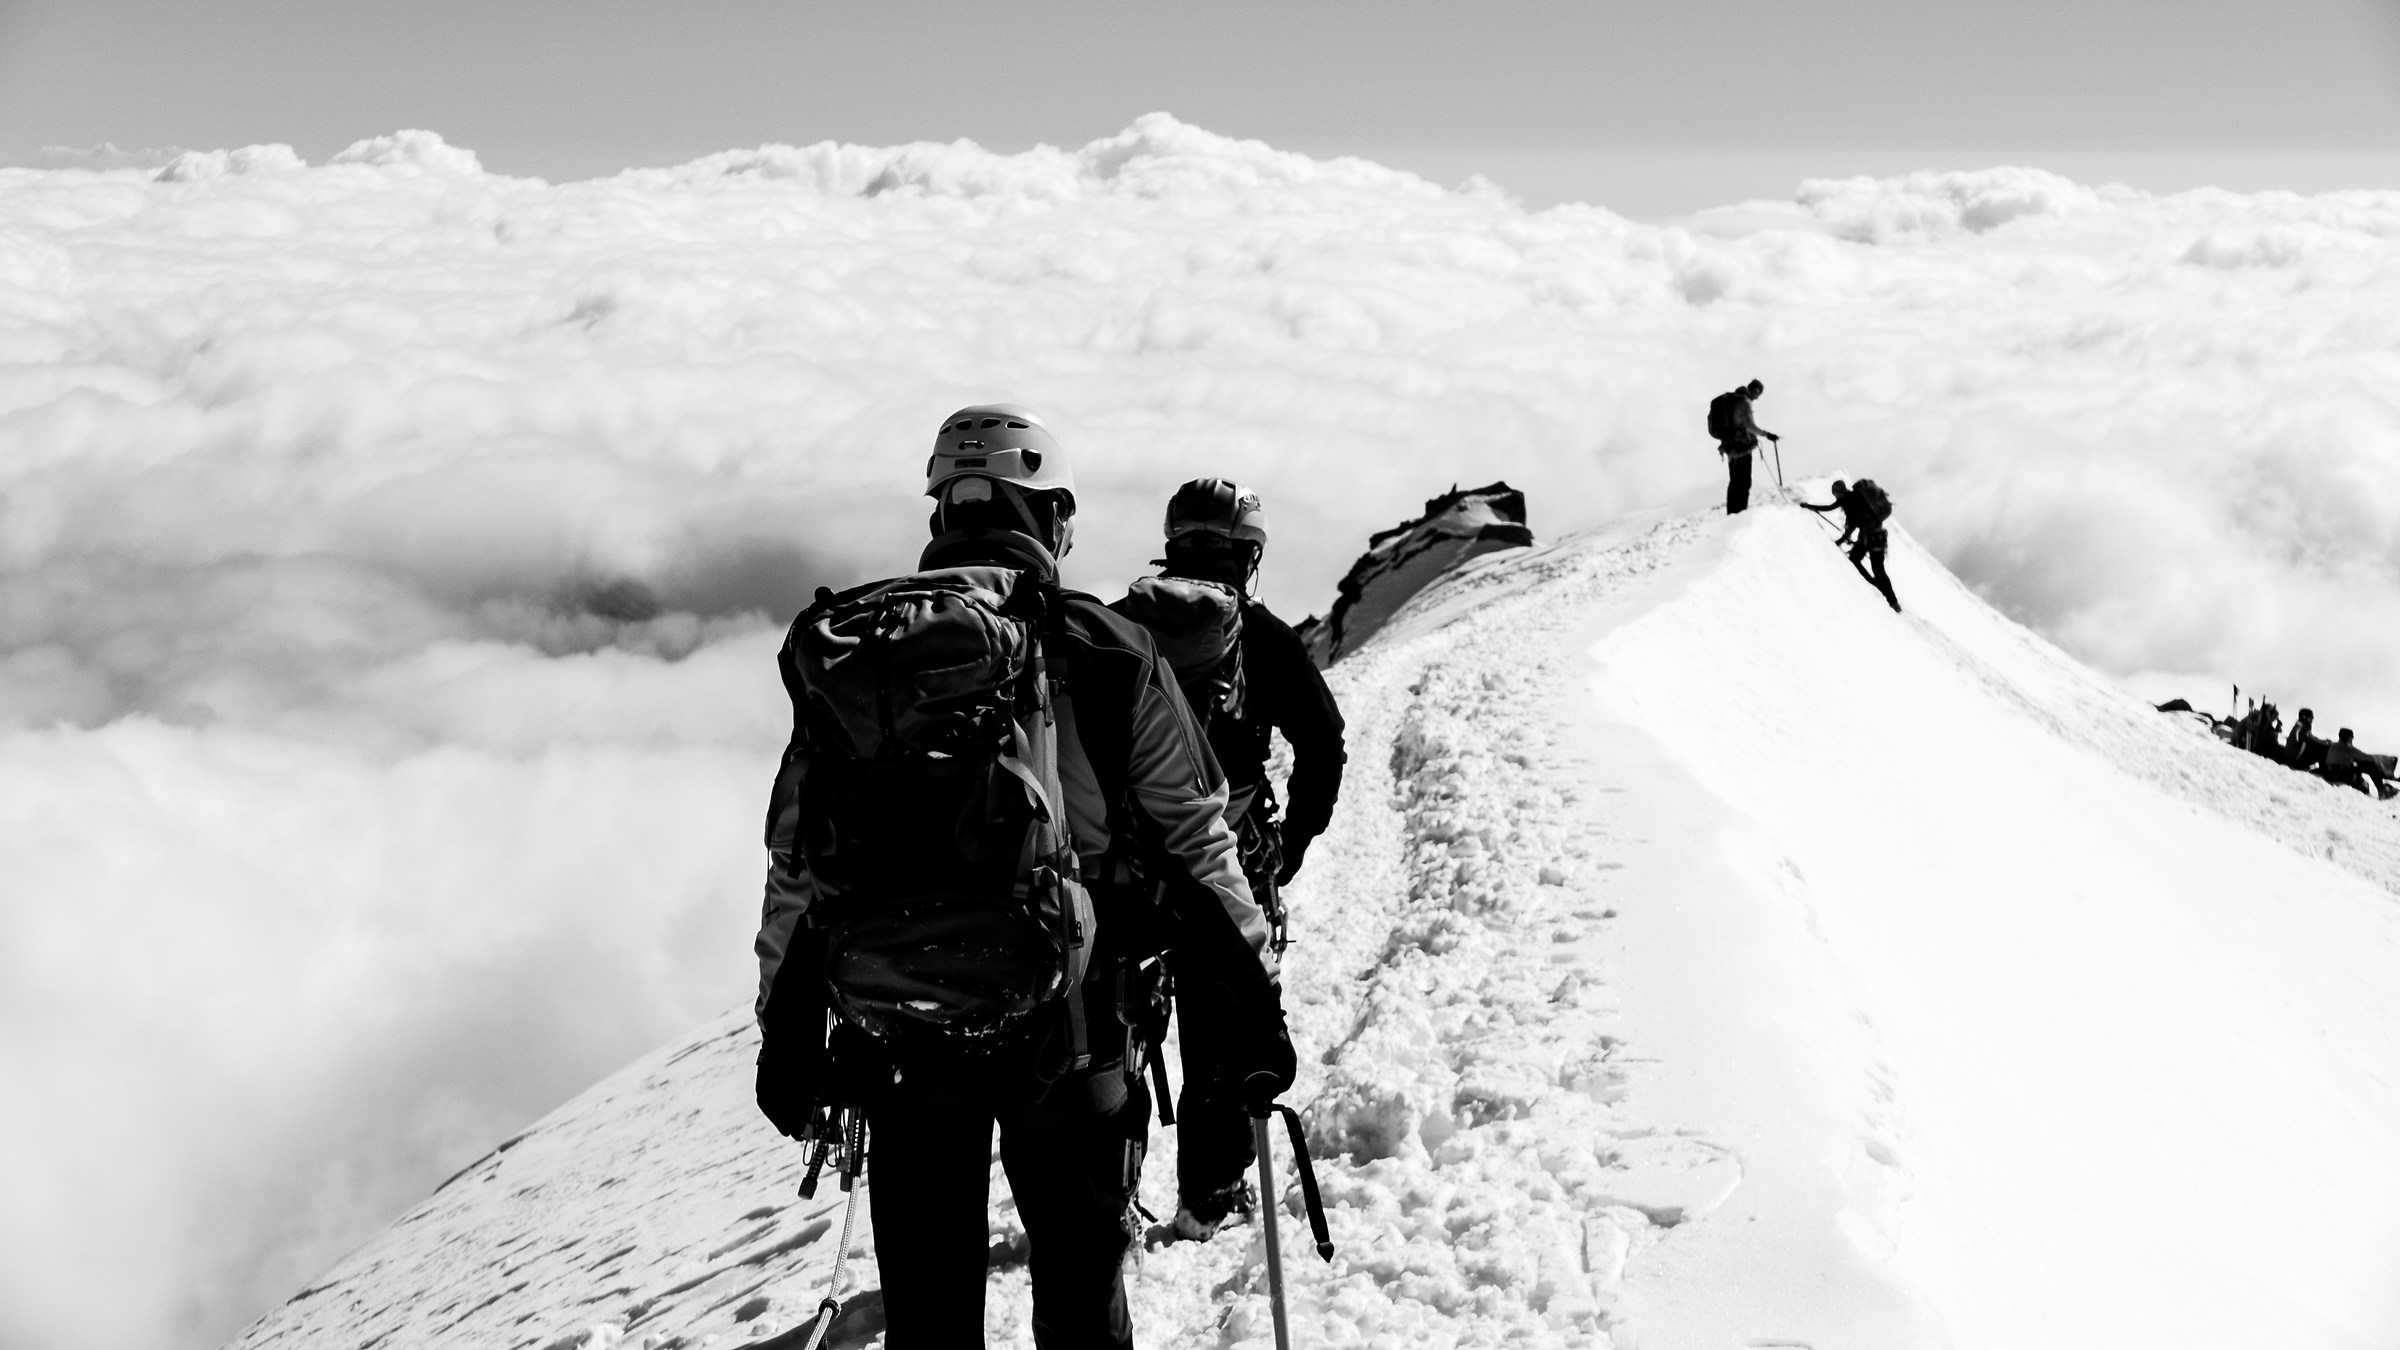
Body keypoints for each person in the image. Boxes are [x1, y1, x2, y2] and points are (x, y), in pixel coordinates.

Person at [751, 405, 1295, 1350]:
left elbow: (796, 864)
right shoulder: (1106, 648)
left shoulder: (856, 652)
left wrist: (784, 1027)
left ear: (940, 517)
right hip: (1074, 1035)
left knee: (929, 1320)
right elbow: (1198, 845)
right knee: (1082, 1311)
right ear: (1054, 517)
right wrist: (1251, 1005)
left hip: (902, 1036)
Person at [1110, 478, 1347, 1243]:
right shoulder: (1263, 636)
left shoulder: (1117, 626)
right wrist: (1295, 845)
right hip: (1229, 861)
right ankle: (1209, 1195)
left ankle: (1106, 1198)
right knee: (1221, 1030)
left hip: (1128, 868)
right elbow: (1323, 743)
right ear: (1248, 554)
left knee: (1119, 1037)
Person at [1801, 478, 1901, 612]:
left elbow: (1851, 525)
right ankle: (1889, 597)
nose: (1836, 496)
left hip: (1869, 537)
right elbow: (1832, 509)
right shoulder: (1850, 498)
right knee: (1874, 567)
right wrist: (1810, 506)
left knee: (1870, 566)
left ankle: (1884, 594)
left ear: (1839, 492)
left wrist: (1841, 541)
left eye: (1835, 493)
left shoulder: (1850, 501)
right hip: (1875, 536)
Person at [1708, 379, 1778, 514]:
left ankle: (1732, 513)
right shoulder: (1744, 402)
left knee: (1735, 482)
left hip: (1730, 447)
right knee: (1744, 482)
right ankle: (1740, 513)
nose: (1757, 398)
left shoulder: (1733, 400)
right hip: (1742, 448)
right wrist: (1767, 435)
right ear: (1756, 391)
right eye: (1758, 395)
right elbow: (1748, 425)